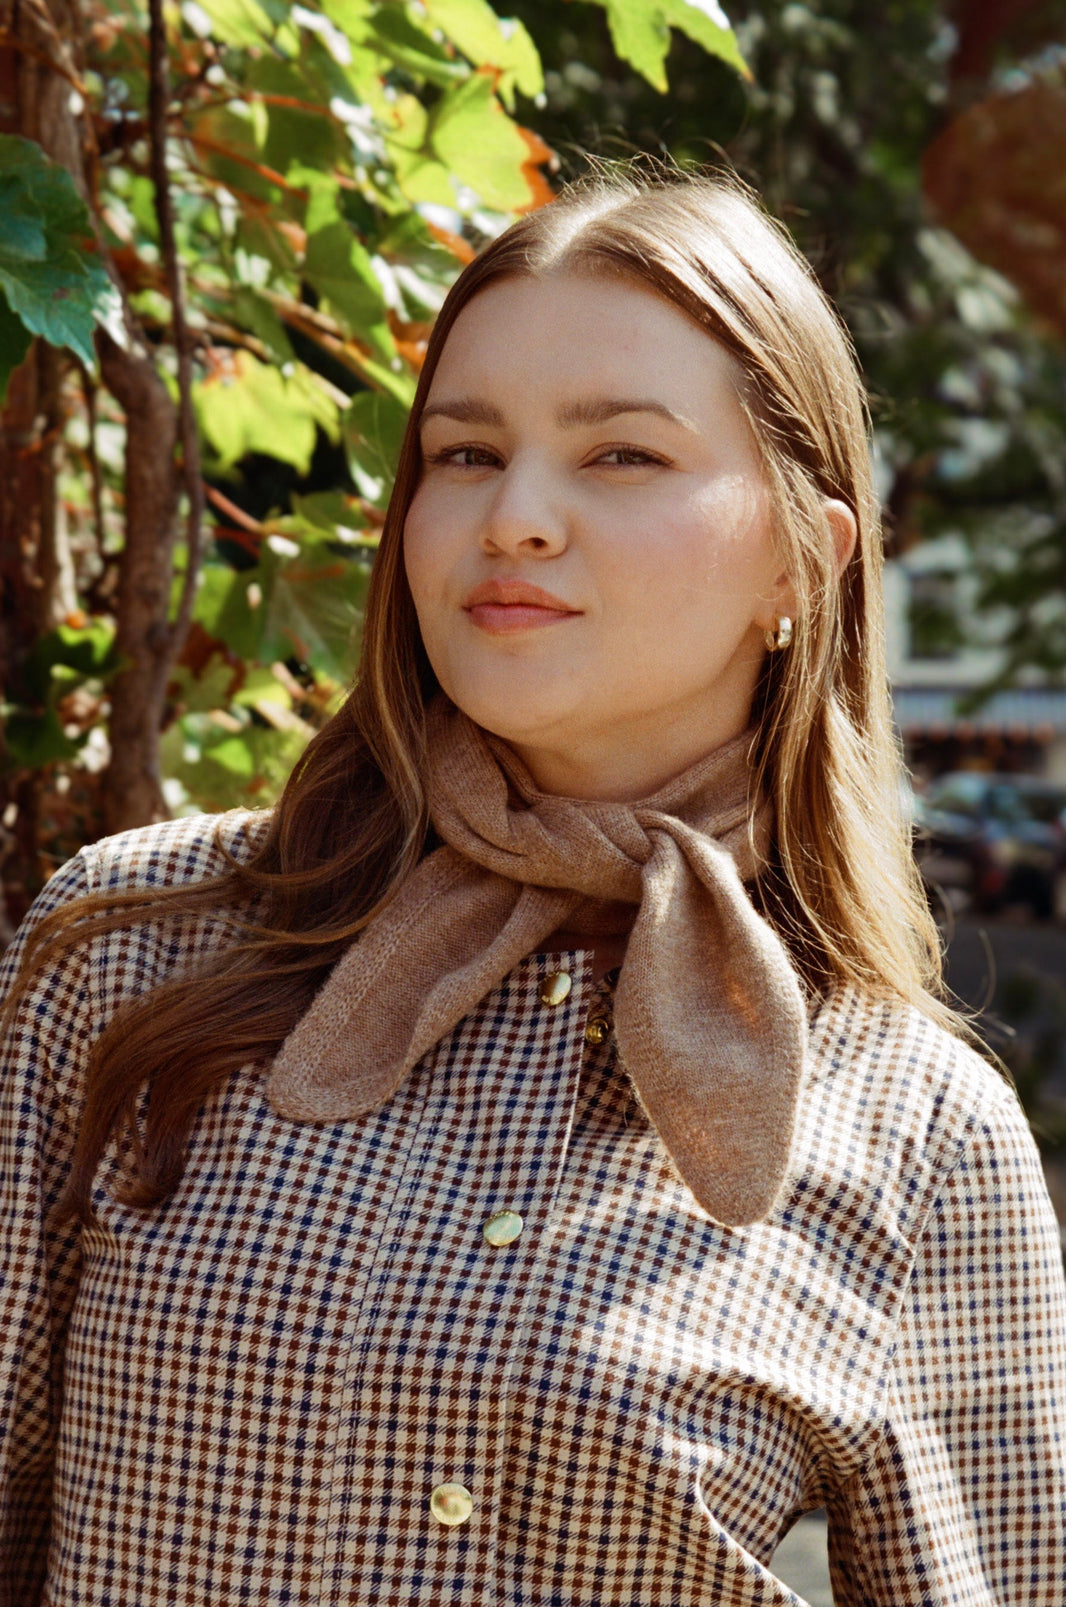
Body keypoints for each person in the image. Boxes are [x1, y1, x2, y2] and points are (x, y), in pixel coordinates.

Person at [2, 169, 1064, 1607]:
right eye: (462, 453)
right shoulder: (126, 950)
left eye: (619, 456)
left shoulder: (922, 1137)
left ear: (802, 565)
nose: (514, 518)